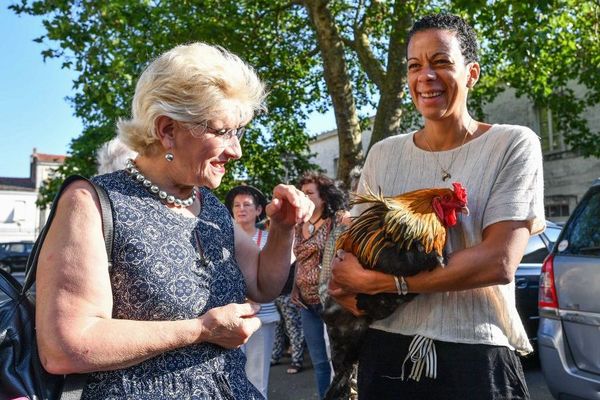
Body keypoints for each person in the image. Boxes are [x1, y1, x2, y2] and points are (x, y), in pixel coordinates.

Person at [34, 42, 314, 399]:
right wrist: (200, 330)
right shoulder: (90, 202)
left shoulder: (208, 204)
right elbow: (65, 345)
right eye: (223, 131)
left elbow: (262, 284)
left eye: (238, 132)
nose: (236, 150)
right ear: (167, 130)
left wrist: (283, 228)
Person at [329, 13, 544, 400]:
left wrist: (385, 283)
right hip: (386, 346)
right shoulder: (384, 153)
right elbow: (350, 257)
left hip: (477, 347)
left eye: (441, 62)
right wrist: (344, 278)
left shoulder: (512, 144)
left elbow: (498, 261)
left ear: (472, 73)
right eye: (415, 66)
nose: (425, 76)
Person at [292, 171, 349, 399]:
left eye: (310, 193)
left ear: (323, 196)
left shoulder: (337, 220)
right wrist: (295, 287)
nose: (305, 197)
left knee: (338, 360)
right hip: (306, 304)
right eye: (302, 193)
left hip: (332, 302)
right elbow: (299, 260)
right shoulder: (298, 225)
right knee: (319, 361)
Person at [225, 185, 280, 398]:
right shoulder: (223, 238)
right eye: (236, 205)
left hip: (263, 316)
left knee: (258, 380)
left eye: (247, 205)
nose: (241, 209)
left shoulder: (268, 239)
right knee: (229, 377)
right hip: (231, 316)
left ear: (259, 210)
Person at [270, 260, 305, 375]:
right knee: (277, 328)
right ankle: (276, 355)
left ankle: (296, 361)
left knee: (294, 328)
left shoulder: (291, 246)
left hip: (287, 294)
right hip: (275, 294)